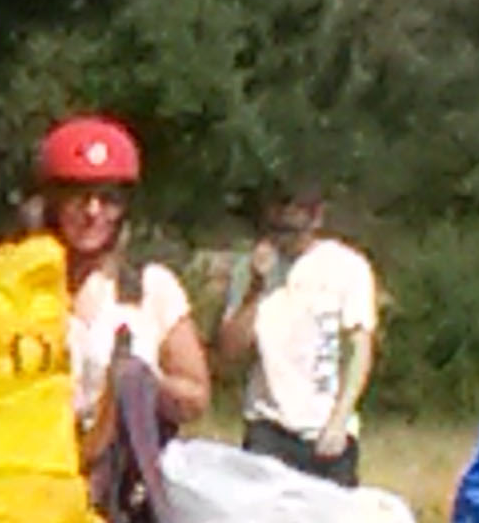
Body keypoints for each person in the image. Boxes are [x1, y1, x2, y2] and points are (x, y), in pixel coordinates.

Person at [37, 116, 211, 437]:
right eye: (78, 196)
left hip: (120, 473)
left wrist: (142, 385)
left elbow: (196, 396)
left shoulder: (152, 289)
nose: (92, 212)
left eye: (108, 199)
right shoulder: (20, 289)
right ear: (53, 204)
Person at [216, 181, 378, 486]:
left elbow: (359, 349)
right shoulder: (249, 270)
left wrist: (339, 419)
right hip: (268, 426)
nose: (282, 239)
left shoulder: (347, 267)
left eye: (292, 229)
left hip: (325, 427)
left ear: (315, 219)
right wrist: (256, 287)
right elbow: (229, 352)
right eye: (275, 228)